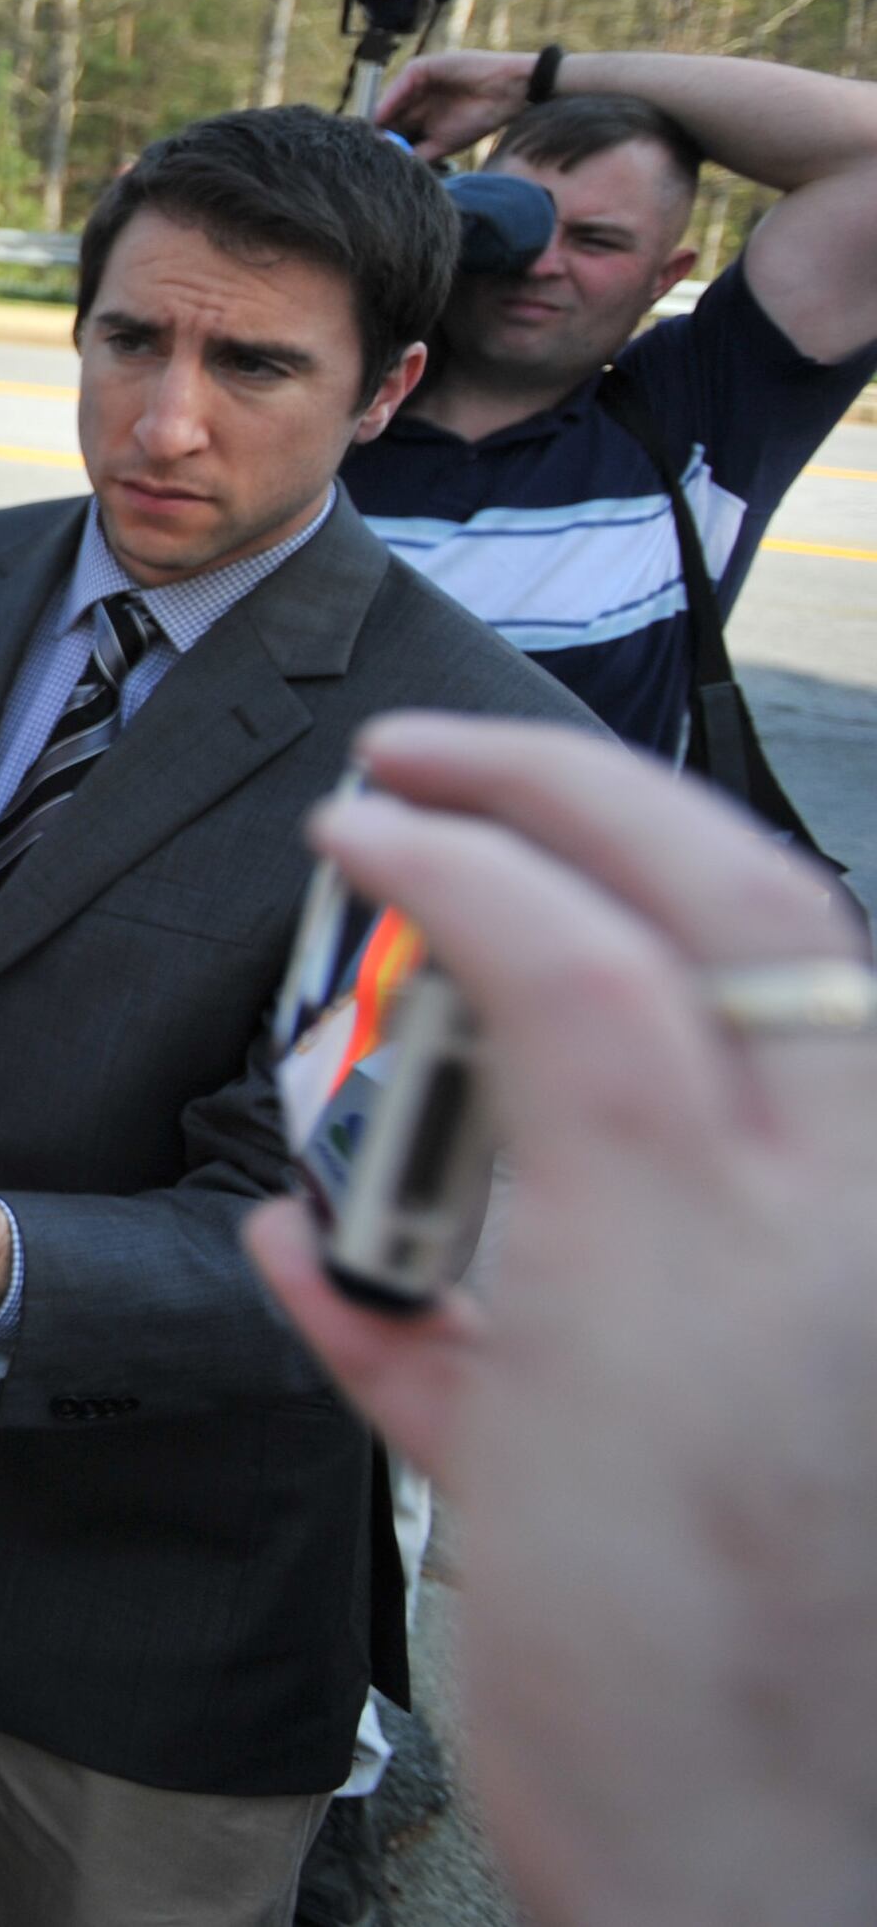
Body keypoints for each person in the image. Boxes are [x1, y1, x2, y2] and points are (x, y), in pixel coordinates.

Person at [0, 106, 596, 1927]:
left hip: (161, 1574)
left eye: (253, 364)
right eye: (129, 341)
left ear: (389, 386)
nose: (167, 422)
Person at [243, 713, 877, 1927]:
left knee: (401, 1414)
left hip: (529, 979)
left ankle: (343, 1783)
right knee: (389, 1379)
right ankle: (342, 1782)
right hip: (407, 994)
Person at [344, 48, 877, 763]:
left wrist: (531, 76)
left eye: (596, 241)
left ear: (667, 276)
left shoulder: (703, 413)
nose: (540, 262)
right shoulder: (326, 399)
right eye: (515, 220)